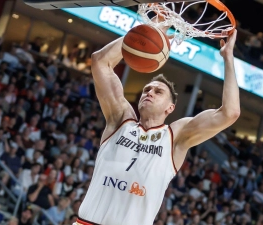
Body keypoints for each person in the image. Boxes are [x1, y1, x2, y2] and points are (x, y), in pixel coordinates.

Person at [75, 25, 240, 225]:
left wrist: (228, 57)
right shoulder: (120, 120)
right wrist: (147, 32)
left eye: (158, 92)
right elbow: (100, 62)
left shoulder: (175, 136)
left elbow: (229, 113)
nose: (149, 93)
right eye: (147, 89)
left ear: (170, 108)